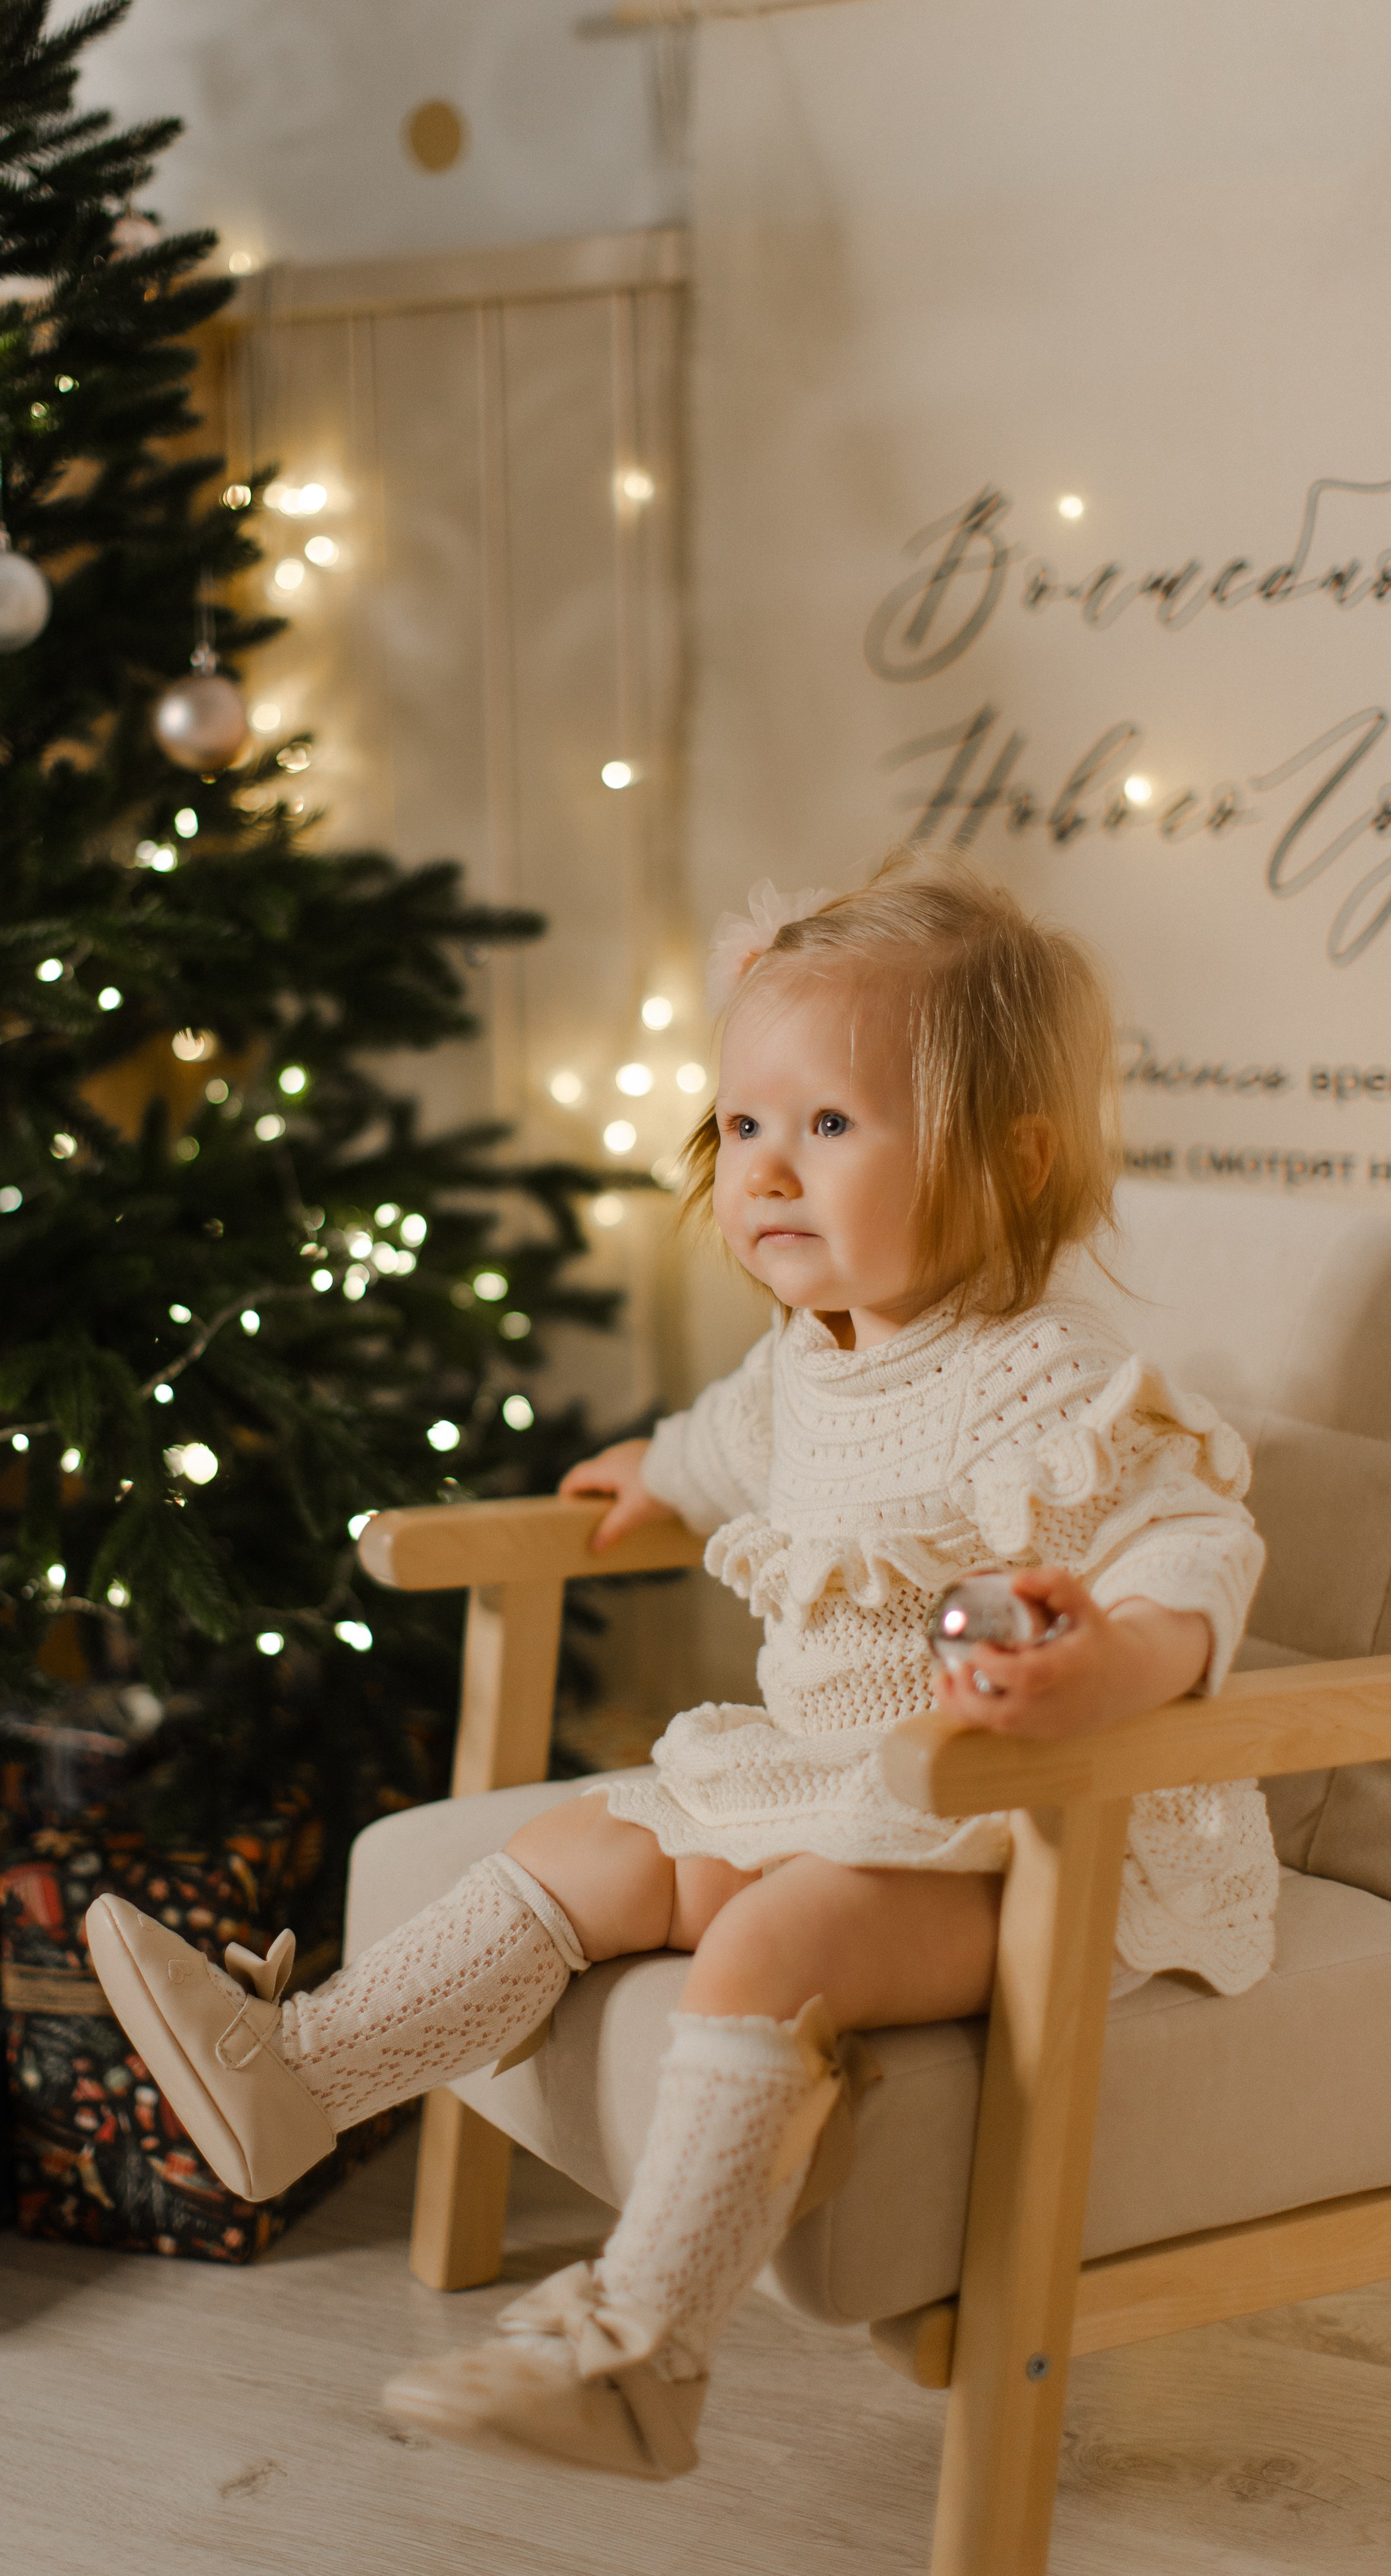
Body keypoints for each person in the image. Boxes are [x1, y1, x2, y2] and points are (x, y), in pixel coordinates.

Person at [85, 857, 1276, 2482]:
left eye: (831, 1127)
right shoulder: (811, 1356)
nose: (766, 1171)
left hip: (1027, 1833)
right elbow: (731, 1442)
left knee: (772, 1936)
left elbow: (1194, 1546)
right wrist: (655, 1470)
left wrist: (1113, 1659)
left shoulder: (1049, 1387)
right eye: (742, 1129)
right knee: (586, 1839)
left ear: (1010, 1163)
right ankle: (303, 2079)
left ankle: (642, 2350)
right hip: (836, 1787)